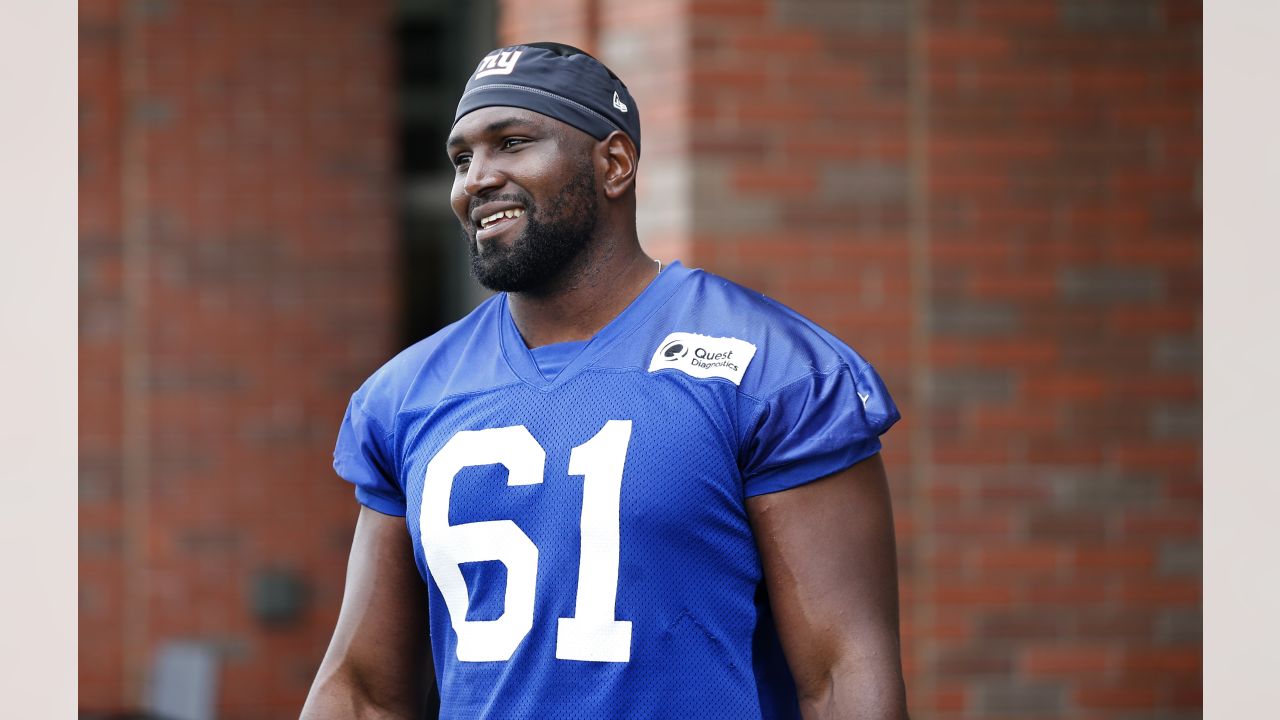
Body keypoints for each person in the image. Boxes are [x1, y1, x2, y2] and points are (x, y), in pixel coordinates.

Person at [301, 42, 908, 720]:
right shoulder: (406, 395)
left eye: (511, 143)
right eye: (463, 158)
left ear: (614, 164)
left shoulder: (769, 368)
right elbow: (361, 690)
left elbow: (840, 674)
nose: (476, 179)